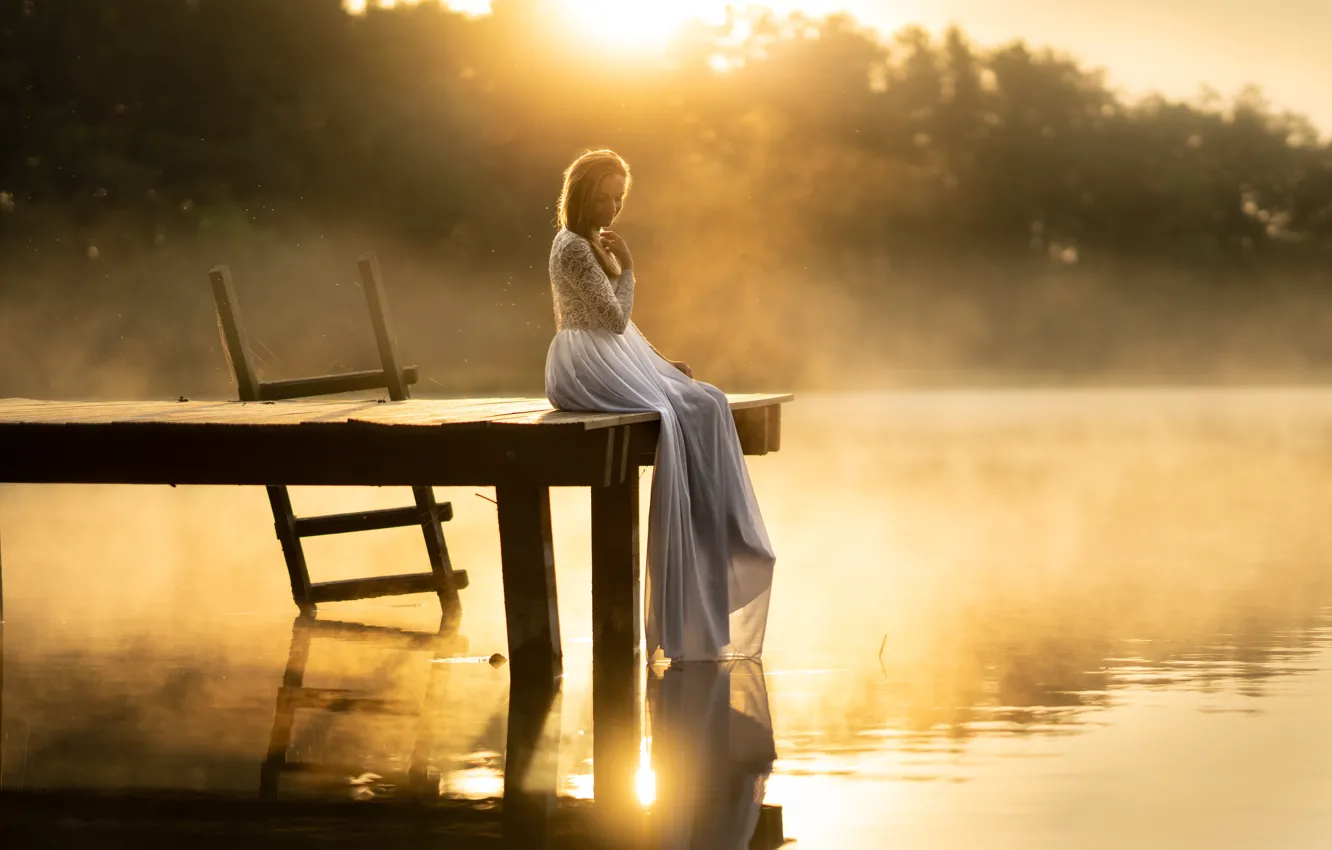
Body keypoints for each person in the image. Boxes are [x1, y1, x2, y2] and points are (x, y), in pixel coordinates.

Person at [544, 149, 776, 662]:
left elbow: (621, 329)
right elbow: (609, 319)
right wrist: (629, 272)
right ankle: (711, 545)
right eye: (604, 197)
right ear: (582, 194)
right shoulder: (576, 247)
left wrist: (659, 362)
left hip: (606, 352)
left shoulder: (587, 243)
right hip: (585, 361)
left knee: (708, 400)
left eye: (619, 198)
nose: (613, 208)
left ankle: (721, 534)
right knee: (688, 411)